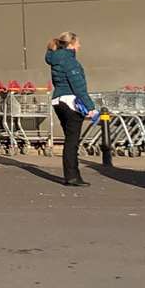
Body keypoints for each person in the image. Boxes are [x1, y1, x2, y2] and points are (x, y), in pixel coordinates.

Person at [45, 32, 96, 186]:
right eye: (78, 43)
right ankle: (72, 176)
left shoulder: (55, 59)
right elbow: (78, 86)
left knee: (69, 140)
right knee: (72, 142)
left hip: (57, 101)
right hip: (70, 101)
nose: (79, 46)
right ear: (71, 44)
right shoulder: (69, 61)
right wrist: (90, 107)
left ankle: (71, 175)